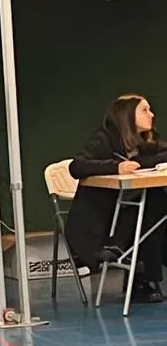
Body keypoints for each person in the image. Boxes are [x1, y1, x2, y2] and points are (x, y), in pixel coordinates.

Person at [66, 94, 166, 302]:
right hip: (99, 221)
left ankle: (133, 264)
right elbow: (77, 166)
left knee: (155, 200)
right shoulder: (104, 139)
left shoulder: (146, 143)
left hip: (130, 215)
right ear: (127, 115)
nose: (152, 115)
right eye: (144, 110)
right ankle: (142, 276)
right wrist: (116, 167)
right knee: (155, 202)